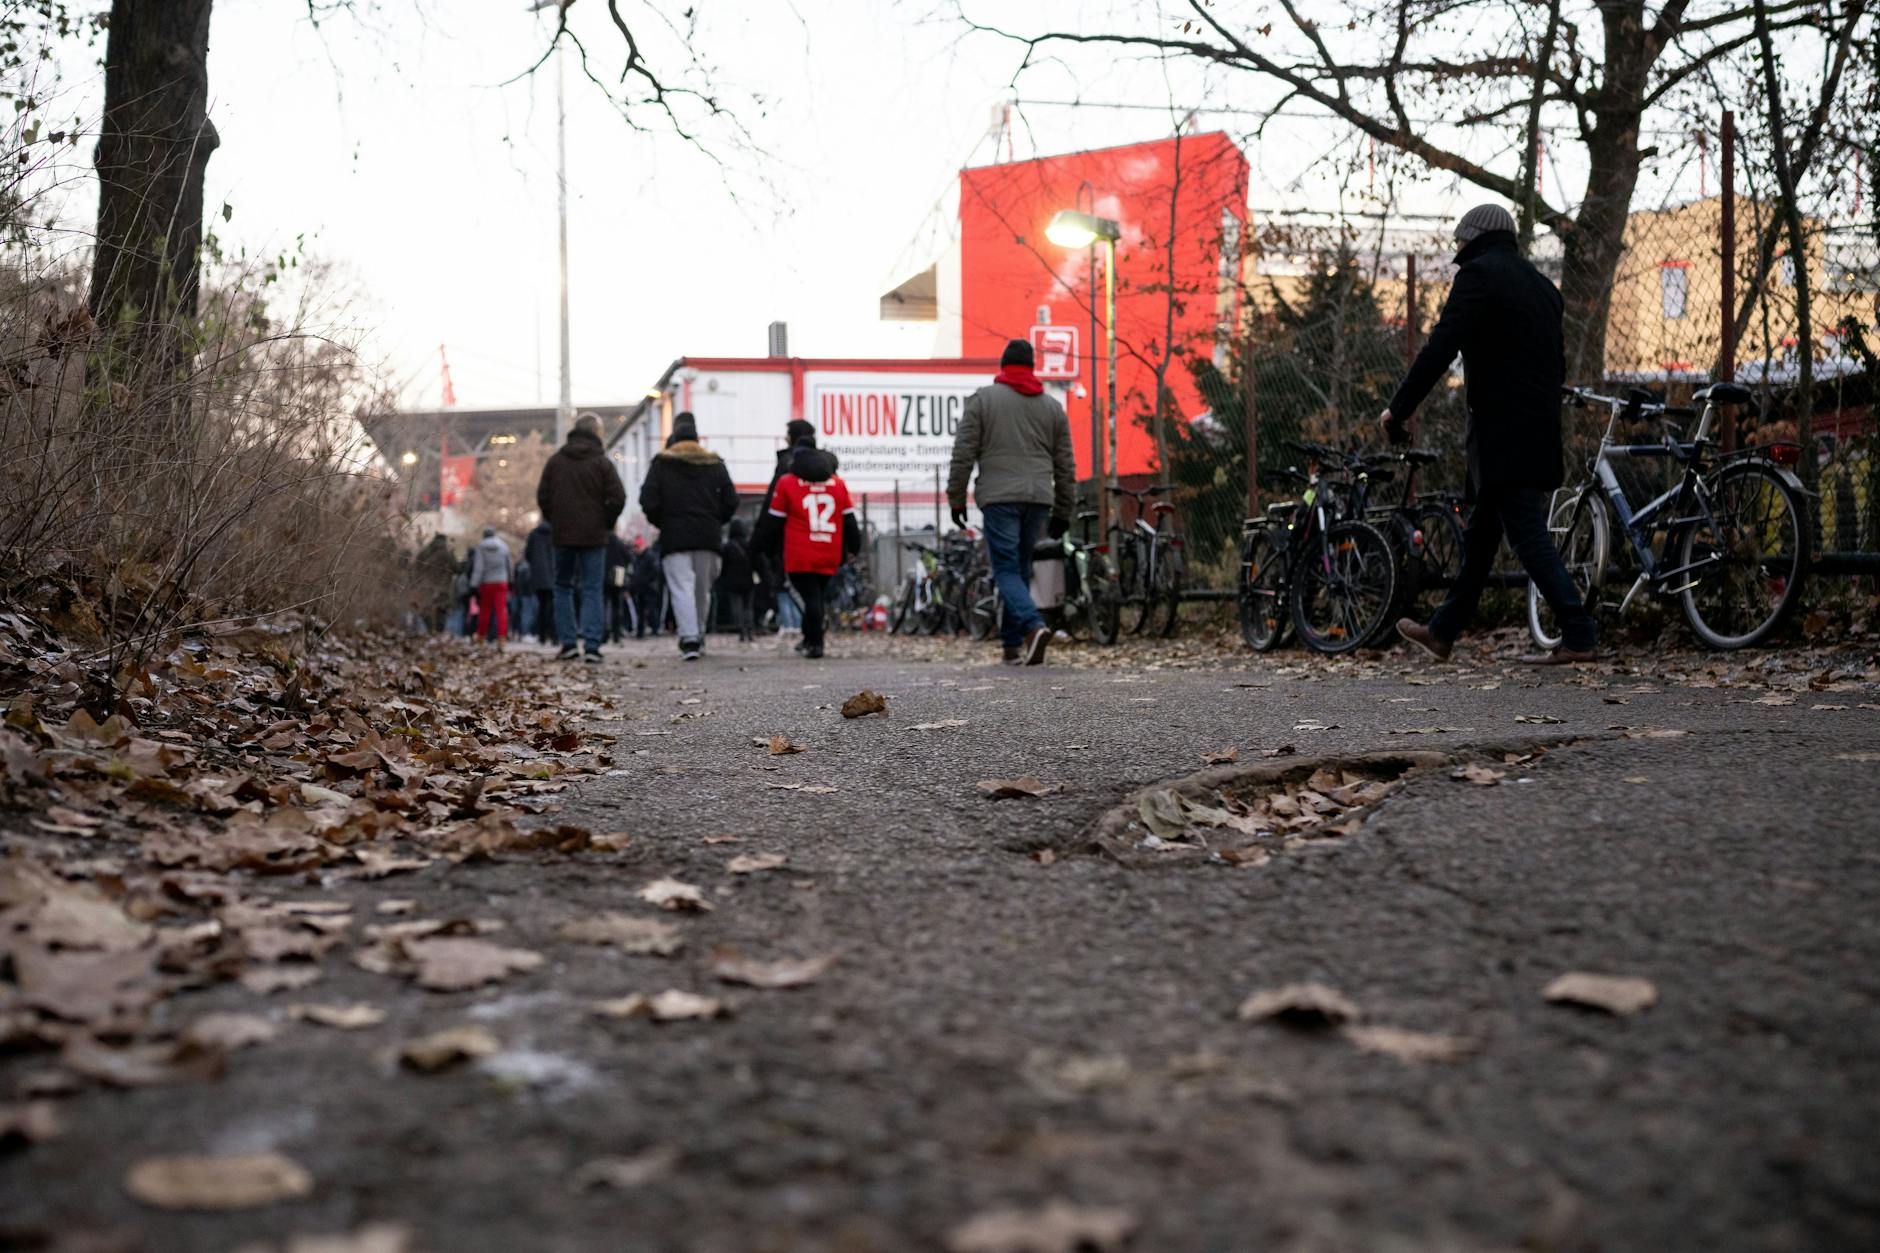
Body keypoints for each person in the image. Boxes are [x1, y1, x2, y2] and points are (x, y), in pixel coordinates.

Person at [1379, 203, 1598, 665]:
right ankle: (1442, 631)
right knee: (1482, 540)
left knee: (1527, 536)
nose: (1457, 250)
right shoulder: (1542, 287)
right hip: (1540, 427)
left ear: (1473, 237)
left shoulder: (1478, 277)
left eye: (1459, 242)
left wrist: (1398, 410)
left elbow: (1441, 348)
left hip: (1502, 432)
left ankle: (1579, 632)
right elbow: (1555, 365)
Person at [946, 338, 1076, 666]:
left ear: (1003, 366)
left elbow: (963, 453)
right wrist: (1063, 510)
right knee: (1019, 569)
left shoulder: (983, 401)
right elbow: (1065, 465)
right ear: (1032, 367)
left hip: (999, 498)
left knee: (1005, 569)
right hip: (1037, 499)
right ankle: (1012, 644)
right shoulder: (1052, 408)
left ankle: (1032, 627)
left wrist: (956, 498)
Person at [638, 411, 738, 661]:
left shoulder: (661, 463)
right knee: (702, 589)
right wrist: (717, 520)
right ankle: (699, 634)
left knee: (681, 588)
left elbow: (647, 499)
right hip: (708, 536)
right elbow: (731, 500)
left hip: (675, 537)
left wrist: (662, 521)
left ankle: (689, 638)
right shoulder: (715, 463)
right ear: (696, 435)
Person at [537, 412, 627, 664]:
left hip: (562, 535)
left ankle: (568, 644)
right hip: (594, 536)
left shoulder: (556, 462)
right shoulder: (602, 463)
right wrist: (606, 523)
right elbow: (618, 498)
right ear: (596, 432)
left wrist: (554, 520)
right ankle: (591, 645)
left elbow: (543, 496)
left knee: (563, 587)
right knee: (592, 589)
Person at [757, 438, 859, 659]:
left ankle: (815, 643)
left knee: (811, 597)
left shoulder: (787, 483)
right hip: (830, 550)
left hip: (800, 552)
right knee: (816, 596)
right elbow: (850, 521)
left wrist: (766, 548)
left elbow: (773, 521)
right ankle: (810, 638)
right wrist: (854, 548)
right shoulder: (838, 484)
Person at [466, 525, 513, 643]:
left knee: (485, 610)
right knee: (501, 610)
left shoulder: (480, 547)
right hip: (502, 581)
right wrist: (511, 580)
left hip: (486, 583)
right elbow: (509, 565)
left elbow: (479, 568)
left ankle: (481, 636)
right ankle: (502, 636)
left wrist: (473, 584)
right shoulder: (504, 546)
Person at [718, 518, 757, 643]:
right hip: (749, 580)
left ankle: (741, 630)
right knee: (748, 607)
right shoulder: (749, 545)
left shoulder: (728, 547)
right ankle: (750, 630)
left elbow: (723, 566)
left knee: (737, 607)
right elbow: (757, 562)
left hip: (733, 582)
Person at [523, 520, 558, 644]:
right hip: (553, 574)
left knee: (541, 606)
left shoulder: (534, 534)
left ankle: (542, 636)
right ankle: (554, 636)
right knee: (553, 606)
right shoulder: (555, 533)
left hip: (538, 576)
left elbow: (527, 554)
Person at [629, 539, 664, 638]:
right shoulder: (637, 557)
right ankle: (641, 631)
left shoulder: (650, 556)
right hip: (640, 587)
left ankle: (655, 629)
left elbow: (655, 570)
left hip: (649, 587)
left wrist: (649, 581)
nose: (636, 549)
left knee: (651, 609)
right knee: (640, 610)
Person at [605, 532, 633, 643]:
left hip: (604, 577)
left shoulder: (603, 544)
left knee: (604, 605)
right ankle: (616, 635)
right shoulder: (619, 543)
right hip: (618, 577)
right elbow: (629, 558)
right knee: (617, 607)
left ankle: (604, 633)